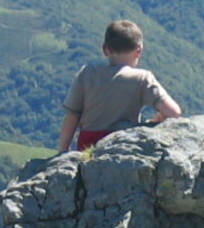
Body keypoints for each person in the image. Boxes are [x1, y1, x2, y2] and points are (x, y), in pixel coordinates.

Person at [56, 20, 183, 153]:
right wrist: (156, 120)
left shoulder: (88, 72)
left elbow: (72, 115)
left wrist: (62, 153)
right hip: (121, 147)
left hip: (87, 145)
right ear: (138, 51)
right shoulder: (142, 78)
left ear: (105, 49)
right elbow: (174, 112)